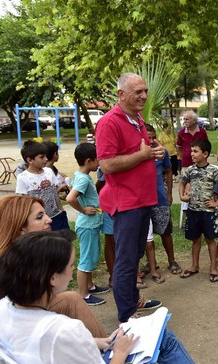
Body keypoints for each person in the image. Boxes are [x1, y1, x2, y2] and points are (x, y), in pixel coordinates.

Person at [0, 230, 195, 364]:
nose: (72, 271)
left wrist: (100, 342)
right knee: (165, 339)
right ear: (53, 277)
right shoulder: (63, 329)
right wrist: (121, 352)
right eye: (71, 265)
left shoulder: (4, 308)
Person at [95, 73, 165, 323]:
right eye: (138, 92)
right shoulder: (109, 123)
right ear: (121, 94)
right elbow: (108, 164)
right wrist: (144, 156)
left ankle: (132, 299)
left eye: (145, 91)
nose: (144, 96)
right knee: (126, 259)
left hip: (142, 199)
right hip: (125, 202)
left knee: (135, 254)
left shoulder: (137, 119)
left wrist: (154, 152)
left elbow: (141, 152)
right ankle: (127, 315)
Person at [0, 195, 106, 337]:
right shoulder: (9, 263)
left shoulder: (19, 252)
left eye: (45, 213)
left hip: (21, 319)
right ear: (21, 228)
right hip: (11, 331)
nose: (49, 219)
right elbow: (29, 313)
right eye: (39, 217)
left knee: (72, 298)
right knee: (72, 301)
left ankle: (104, 348)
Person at [179, 139, 218, 283]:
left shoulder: (213, 170)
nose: (192, 154)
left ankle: (213, 268)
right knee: (195, 239)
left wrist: (217, 203)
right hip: (193, 211)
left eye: (195, 151)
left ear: (205, 154)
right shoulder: (190, 169)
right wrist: (183, 196)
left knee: (210, 240)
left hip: (208, 212)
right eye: (191, 151)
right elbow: (182, 182)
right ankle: (194, 266)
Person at [65, 143, 108, 306]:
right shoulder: (83, 178)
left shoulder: (80, 175)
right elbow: (70, 198)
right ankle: (83, 294)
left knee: (91, 256)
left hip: (91, 224)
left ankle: (89, 286)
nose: (100, 162)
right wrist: (83, 210)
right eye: (98, 159)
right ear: (89, 160)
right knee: (86, 259)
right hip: (87, 224)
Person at [139, 124, 181, 282]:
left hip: (159, 198)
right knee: (145, 234)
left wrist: (169, 193)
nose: (151, 141)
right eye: (147, 138)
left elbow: (169, 172)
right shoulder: (138, 154)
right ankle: (152, 263)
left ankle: (172, 260)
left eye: (153, 137)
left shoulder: (161, 152)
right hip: (142, 201)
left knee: (165, 231)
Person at [15, 140, 69, 231]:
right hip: (40, 221)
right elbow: (24, 202)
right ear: (30, 160)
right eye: (41, 157)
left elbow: (55, 194)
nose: (46, 159)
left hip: (57, 216)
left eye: (46, 156)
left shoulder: (49, 171)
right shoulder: (22, 177)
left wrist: (62, 211)